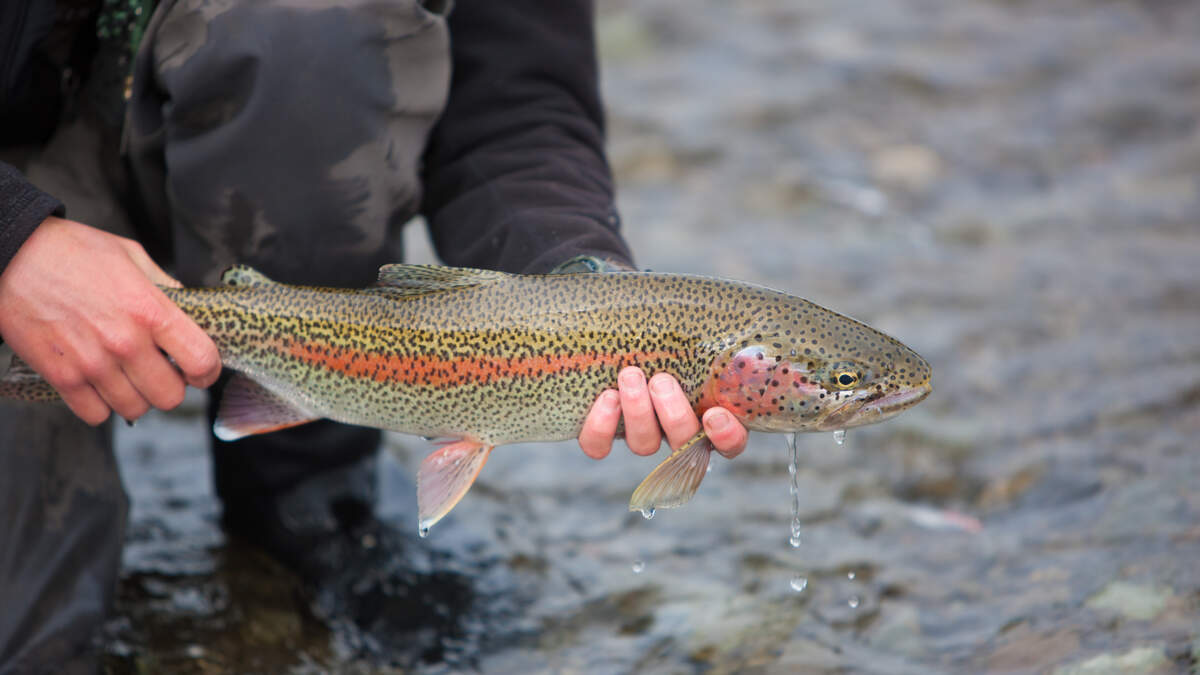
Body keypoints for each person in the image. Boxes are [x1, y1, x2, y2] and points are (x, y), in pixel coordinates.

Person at [0, 0, 748, 670]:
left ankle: (306, 489)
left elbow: (512, 105)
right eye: (844, 388)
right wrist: (17, 242)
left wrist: (583, 283)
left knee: (311, 27)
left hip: (217, 97)